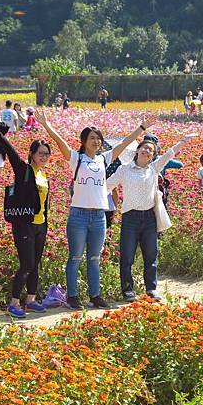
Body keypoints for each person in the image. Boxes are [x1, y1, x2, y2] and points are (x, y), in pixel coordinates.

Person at [33, 109, 158, 310]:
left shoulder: (104, 159)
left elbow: (125, 143)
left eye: (98, 138)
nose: (96, 142)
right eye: (92, 138)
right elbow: (60, 143)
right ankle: (72, 296)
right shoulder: (76, 158)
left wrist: (142, 128)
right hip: (79, 215)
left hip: (99, 215)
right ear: (83, 141)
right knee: (75, 257)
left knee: (94, 257)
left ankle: (95, 295)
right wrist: (46, 125)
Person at [0, 116, 52, 318]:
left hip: (40, 225)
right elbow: (9, 149)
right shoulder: (24, 170)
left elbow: (44, 203)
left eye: (47, 154)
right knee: (26, 264)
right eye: (41, 153)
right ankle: (13, 302)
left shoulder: (44, 175)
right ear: (32, 154)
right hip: (24, 224)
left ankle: (31, 299)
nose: (44, 157)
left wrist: (46, 223)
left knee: (35, 264)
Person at [106, 132, 194, 302]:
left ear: (153, 156)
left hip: (149, 217)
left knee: (151, 255)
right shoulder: (124, 169)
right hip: (130, 217)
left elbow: (169, 154)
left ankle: (151, 289)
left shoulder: (154, 168)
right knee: (127, 256)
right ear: (138, 150)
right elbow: (107, 185)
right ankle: (127, 290)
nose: (147, 151)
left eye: (151, 150)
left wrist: (183, 140)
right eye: (145, 147)